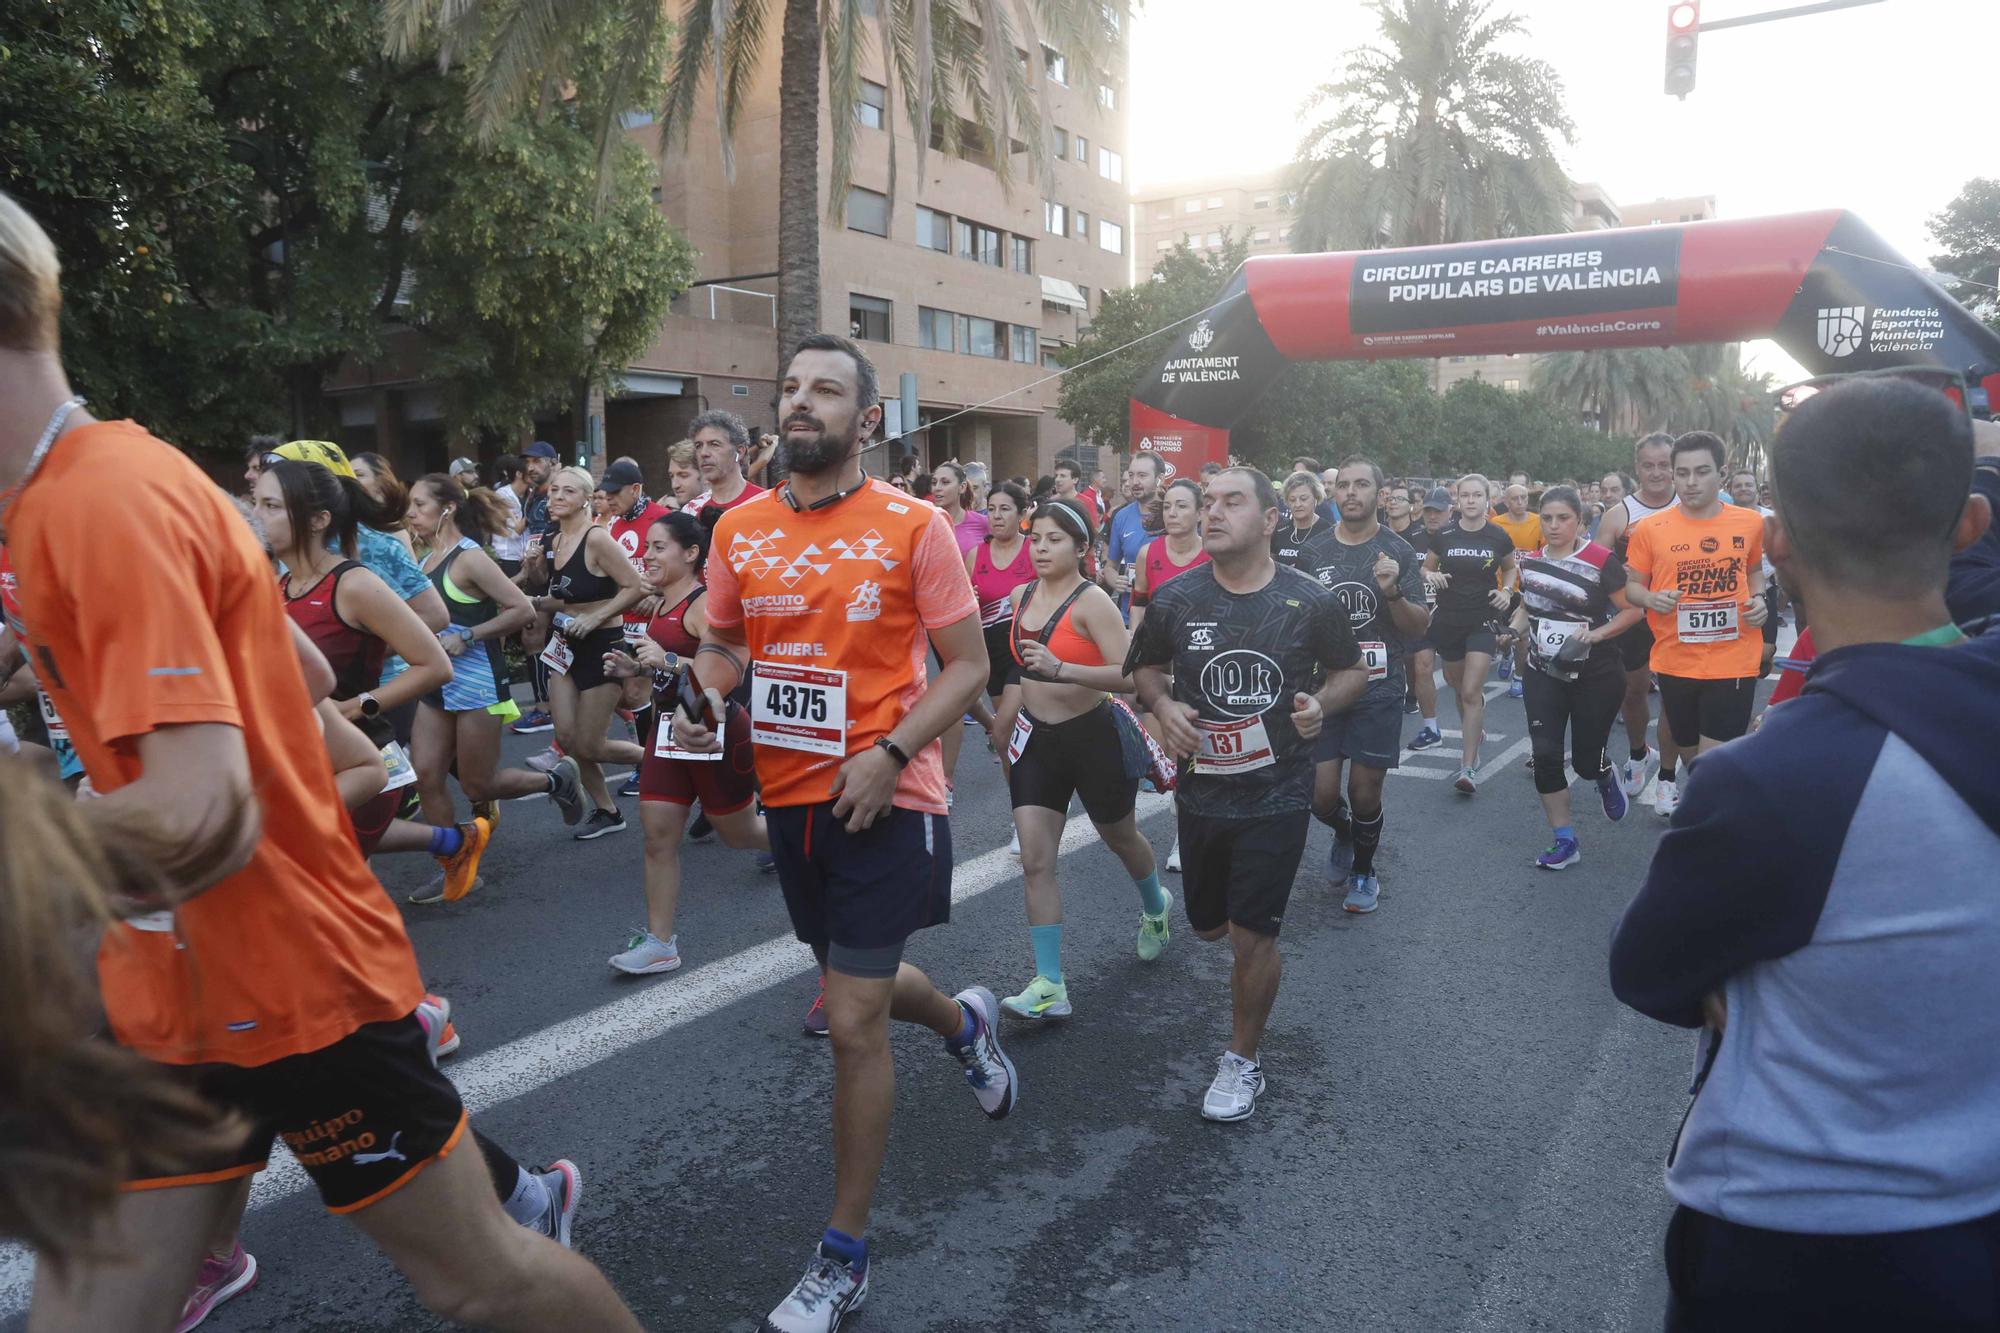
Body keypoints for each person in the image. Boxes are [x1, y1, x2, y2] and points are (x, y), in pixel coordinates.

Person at [0, 189, 641, 1333]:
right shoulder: (110, 479)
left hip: (289, 981)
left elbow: (203, 805)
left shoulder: (94, 502)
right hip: (167, 986)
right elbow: (288, 669)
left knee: (483, 1280)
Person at [1609, 377, 1998, 1332]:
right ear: (1969, 524)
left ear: (1775, 540)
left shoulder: (1765, 779)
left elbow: (1648, 972)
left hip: (1797, 1238)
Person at [672, 334, 1014, 1333]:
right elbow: (726, 642)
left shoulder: (914, 527)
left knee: (853, 1021)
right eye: (789, 389)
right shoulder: (738, 528)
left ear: (867, 419)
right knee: (848, 974)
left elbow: (965, 667)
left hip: (885, 793)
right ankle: (965, 1025)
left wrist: (890, 747)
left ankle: (843, 1254)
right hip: (790, 797)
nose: (799, 405)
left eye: (825, 390)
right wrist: (699, 690)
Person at [1128, 467, 1366, 1122]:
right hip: (1202, 794)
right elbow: (1144, 666)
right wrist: (1163, 703)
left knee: (1251, 937)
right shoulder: (1177, 599)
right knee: (1209, 928)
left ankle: (1242, 1060)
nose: (1212, 513)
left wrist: (1320, 701)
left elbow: (1352, 670)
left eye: (1232, 502)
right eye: (1208, 502)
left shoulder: (1310, 599)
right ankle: (1208, 924)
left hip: (1279, 791)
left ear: (1269, 520)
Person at [996, 497, 1166, 1020]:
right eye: (1037, 538)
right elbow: (1017, 670)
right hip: (1038, 744)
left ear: (1082, 548)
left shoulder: (1091, 602)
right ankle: (1050, 983)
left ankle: (1156, 907)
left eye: (1055, 539)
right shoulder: (1021, 595)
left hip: (1093, 737)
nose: (1042, 548)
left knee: (1120, 839)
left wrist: (1064, 667)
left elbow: (1131, 676)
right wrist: (1006, 719)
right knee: (1035, 860)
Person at [600, 510, 768, 975]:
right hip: (667, 730)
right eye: (646, 547)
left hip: (714, 729)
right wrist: (635, 668)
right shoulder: (661, 604)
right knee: (657, 835)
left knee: (742, 834)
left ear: (691, 554)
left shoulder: (705, 604)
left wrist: (668, 660)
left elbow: (732, 669)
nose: (646, 556)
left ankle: (810, 847)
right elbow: (670, 666)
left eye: (659, 547)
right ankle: (660, 942)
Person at [403, 474, 566, 902]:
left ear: (447, 509)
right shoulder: (424, 560)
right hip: (437, 682)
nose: (412, 514)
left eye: (420, 505)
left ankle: (554, 781)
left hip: (476, 685)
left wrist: (469, 636)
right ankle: (455, 867)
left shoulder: (470, 558)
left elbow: (520, 608)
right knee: (426, 776)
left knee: (478, 786)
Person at [1295, 458, 1427, 914]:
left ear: (1379, 493)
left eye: (1361, 485)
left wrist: (1392, 592)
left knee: (1365, 791)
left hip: (1379, 686)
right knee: (1321, 794)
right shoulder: (1312, 551)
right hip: (1326, 686)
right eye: (1344, 485)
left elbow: (1417, 627)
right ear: (1335, 494)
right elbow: (1298, 619)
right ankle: (1345, 833)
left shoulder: (1398, 551)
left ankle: (1365, 869)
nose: (1351, 492)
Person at [1624, 431, 1768, 813]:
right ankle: (1715, 813)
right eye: (1682, 473)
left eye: (1701, 472)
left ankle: (1716, 839)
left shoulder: (1749, 523)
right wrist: (1651, 598)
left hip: (1733, 658)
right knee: (1692, 756)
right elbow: (1633, 587)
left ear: (1721, 474)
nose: (1690, 482)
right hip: (1675, 660)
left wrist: (1758, 599)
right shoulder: (1650, 529)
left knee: (1710, 767)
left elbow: (1753, 573)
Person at [1508, 487, 1645, 869]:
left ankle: (1603, 774)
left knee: (1585, 762)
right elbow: (1527, 609)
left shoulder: (1601, 560)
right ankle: (1564, 840)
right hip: (1543, 672)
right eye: (1547, 518)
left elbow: (1632, 612)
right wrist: (1513, 631)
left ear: (1580, 521)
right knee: (1546, 755)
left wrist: (1596, 635)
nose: (1554, 526)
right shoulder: (1531, 563)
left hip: (1596, 674)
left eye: (1562, 518)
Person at [532, 465, 648, 839]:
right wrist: (531, 586)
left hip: (602, 646)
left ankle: (663, 760)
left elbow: (634, 587)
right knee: (567, 739)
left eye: (567, 491)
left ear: (586, 498)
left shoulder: (597, 539)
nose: (558, 497)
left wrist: (596, 617)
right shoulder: (553, 541)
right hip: (564, 645)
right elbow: (561, 595)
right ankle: (608, 811)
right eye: (553, 491)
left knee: (591, 744)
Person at [1596, 435, 1680, 800]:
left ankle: (1667, 778)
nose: (1657, 472)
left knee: (1676, 697)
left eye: (1664, 464)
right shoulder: (1619, 515)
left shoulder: (1695, 506)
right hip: (1635, 617)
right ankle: (1638, 754)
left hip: (1682, 615)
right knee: (1634, 692)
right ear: (1638, 468)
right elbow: (1594, 572)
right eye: (1649, 465)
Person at [1422, 474, 1517, 793]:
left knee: (1471, 692)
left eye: (1478, 495)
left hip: (1483, 620)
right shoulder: (1444, 534)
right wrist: (1431, 575)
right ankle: (1475, 729)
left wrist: (1507, 591)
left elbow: (1510, 567)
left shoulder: (1498, 535)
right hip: (1448, 619)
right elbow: (1426, 567)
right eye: (1466, 495)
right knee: (1456, 683)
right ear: (1457, 501)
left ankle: (1467, 767)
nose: (1472, 500)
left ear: (1487, 500)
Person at [968, 483, 1035, 853]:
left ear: (1021, 514)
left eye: (1005, 509)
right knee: (1009, 741)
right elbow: (963, 605)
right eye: (991, 508)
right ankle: (1026, 807)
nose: (996, 515)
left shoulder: (1033, 551)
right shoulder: (975, 555)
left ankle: (1026, 820)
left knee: (1005, 728)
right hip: (990, 652)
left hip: (1026, 653)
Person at [510, 439, 562, 735]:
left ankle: (549, 709)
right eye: (527, 462)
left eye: (537, 461)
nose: (530, 467)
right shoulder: (533, 495)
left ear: (553, 462)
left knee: (543, 639)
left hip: (564, 576)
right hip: (539, 575)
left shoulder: (558, 493)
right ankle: (546, 707)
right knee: (533, 638)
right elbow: (529, 532)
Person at [1402, 486, 1452, 748]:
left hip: (1455, 614)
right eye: (1428, 511)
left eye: (1438, 512)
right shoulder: (1412, 536)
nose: (1432, 517)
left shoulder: (1461, 536)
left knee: (1460, 679)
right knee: (1422, 666)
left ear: (1449, 512)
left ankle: (1473, 716)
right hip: (1424, 613)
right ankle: (1431, 729)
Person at [1728, 467, 1783, 676]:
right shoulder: (1722, 518)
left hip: (1764, 592)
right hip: (1732, 595)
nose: (1743, 489)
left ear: (1756, 489)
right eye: (1738, 485)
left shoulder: (1771, 519)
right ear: (1731, 490)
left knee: (1763, 654)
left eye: (1748, 484)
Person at [1491, 484, 1543, 698]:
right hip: (1501, 589)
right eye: (1516, 498)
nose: (1521, 502)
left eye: (1524, 498)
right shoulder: (1496, 524)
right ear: (1506, 501)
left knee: (1521, 637)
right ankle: (1505, 655)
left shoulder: (1538, 522)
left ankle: (1519, 677)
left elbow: (1544, 554)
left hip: (1526, 589)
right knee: (1501, 638)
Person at [1101, 450, 1164, 609]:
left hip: (1167, 612)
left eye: (1142, 476)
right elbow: (1110, 567)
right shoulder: (1121, 516)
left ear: (1159, 478)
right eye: (1131, 475)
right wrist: (1115, 580)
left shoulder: (1173, 513)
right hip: (1130, 612)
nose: (1134, 482)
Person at [687, 409, 766, 522]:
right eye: (698, 445)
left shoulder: (764, 502)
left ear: (740, 451)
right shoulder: (691, 510)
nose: (704, 453)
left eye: (714, 444)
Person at [351, 452, 419, 561]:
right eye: (349, 475)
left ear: (380, 480)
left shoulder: (395, 530)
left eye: (359, 475)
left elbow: (414, 576)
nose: (353, 480)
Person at [1271, 471, 1334, 570]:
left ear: (1316, 498)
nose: (1297, 504)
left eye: (1303, 499)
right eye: (1292, 500)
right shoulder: (1279, 530)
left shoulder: (1327, 531)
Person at [488, 453, 531, 578]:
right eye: (529, 469)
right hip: (506, 556)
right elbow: (515, 531)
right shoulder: (502, 495)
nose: (533, 471)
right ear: (518, 473)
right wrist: (532, 512)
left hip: (525, 556)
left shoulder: (530, 494)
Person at [665, 438, 702, 510]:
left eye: (683, 476)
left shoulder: (725, 514)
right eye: (671, 476)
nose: (674, 485)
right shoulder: (664, 510)